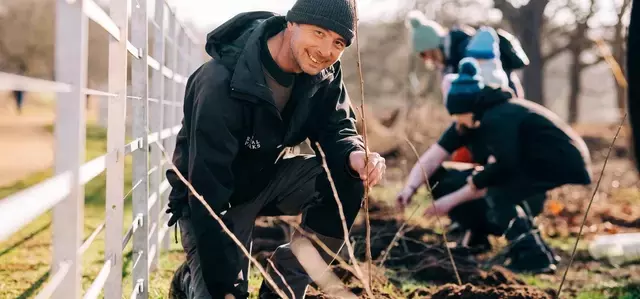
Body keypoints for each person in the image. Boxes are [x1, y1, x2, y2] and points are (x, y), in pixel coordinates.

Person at [164, 1, 386, 299]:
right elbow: (206, 189)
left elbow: (336, 128)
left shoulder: (325, 74)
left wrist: (354, 154)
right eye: (318, 32)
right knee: (223, 291)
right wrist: (220, 282)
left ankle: (283, 286)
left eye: (338, 42)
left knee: (347, 178)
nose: (326, 50)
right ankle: (191, 280)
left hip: (267, 180)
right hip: (211, 200)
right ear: (290, 24)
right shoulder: (220, 80)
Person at [396, 58, 593, 274]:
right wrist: (410, 188)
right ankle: (535, 251)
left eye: (457, 114)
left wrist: (451, 200)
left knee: (500, 193)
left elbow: (503, 166)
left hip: (559, 159)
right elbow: (432, 158)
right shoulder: (473, 121)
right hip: (539, 162)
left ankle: (533, 258)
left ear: (468, 109)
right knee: (499, 190)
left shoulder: (498, 117)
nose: (455, 120)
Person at [406, 10, 529, 98]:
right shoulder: (450, 60)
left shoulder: (465, 51)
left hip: (505, 101)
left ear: (432, 48)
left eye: (423, 54)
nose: (424, 59)